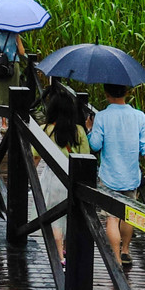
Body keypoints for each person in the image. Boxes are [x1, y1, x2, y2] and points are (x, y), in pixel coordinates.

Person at [86, 83, 145, 269]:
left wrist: (89, 130)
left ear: (106, 93)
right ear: (127, 92)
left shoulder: (102, 116)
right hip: (131, 176)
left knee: (112, 218)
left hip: (110, 175)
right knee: (130, 215)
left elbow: (94, 146)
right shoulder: (139, 116)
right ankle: (126, 251)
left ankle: (116, 259)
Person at [37, 88, 91, 265]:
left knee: (55, 217)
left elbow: (35, 156)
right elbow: (86, 156)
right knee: (71, 215)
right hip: (73, 179)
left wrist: (31, 177)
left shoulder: (44, 130)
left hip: (52, 178)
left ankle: (59, 256)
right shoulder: (78, 131)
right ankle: (69, 252)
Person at [0, 26, 26, 129]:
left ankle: (3, 124)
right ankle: (12, 120)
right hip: (12, 65)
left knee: (1, 94)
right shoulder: (14, 34)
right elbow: (22, 52)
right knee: (13, 93)